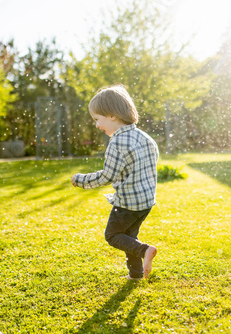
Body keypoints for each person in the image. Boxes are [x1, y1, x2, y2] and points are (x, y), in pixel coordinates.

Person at [71, 85, 159, 280]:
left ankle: (145, 250)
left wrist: (80, 180)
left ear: (112, 115)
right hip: (145, 202)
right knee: (129, 237)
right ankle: (135, 274)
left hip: (127, 203)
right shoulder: (145, 137)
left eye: (97, 119)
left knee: (113, 235)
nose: (96, 125)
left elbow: (107, 176)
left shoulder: (118, 142)